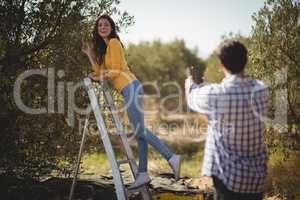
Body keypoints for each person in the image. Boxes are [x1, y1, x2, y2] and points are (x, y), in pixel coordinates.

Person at [81, 14, 181, 189]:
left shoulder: (114, 43)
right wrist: (90, 55)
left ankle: (171, 157)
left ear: (111, 27)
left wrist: (97, 75)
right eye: (99, 26)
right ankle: (143, 173)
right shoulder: (104, 51)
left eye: (106, 25)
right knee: (140, 133)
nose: (102, 27)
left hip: (131, 86)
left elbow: (116, 71)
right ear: (97, 31)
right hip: (129, 89)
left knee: (139, 130)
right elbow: (100, 71)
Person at [185, 39, 268, 200]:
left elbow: (192, 97)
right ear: (245, 61)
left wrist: (190, 81)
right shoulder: (261, 89)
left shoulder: (216, 95)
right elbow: (232, 89)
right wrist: (206, 84)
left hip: (228, 181)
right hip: (256, 180)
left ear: (221, 64)